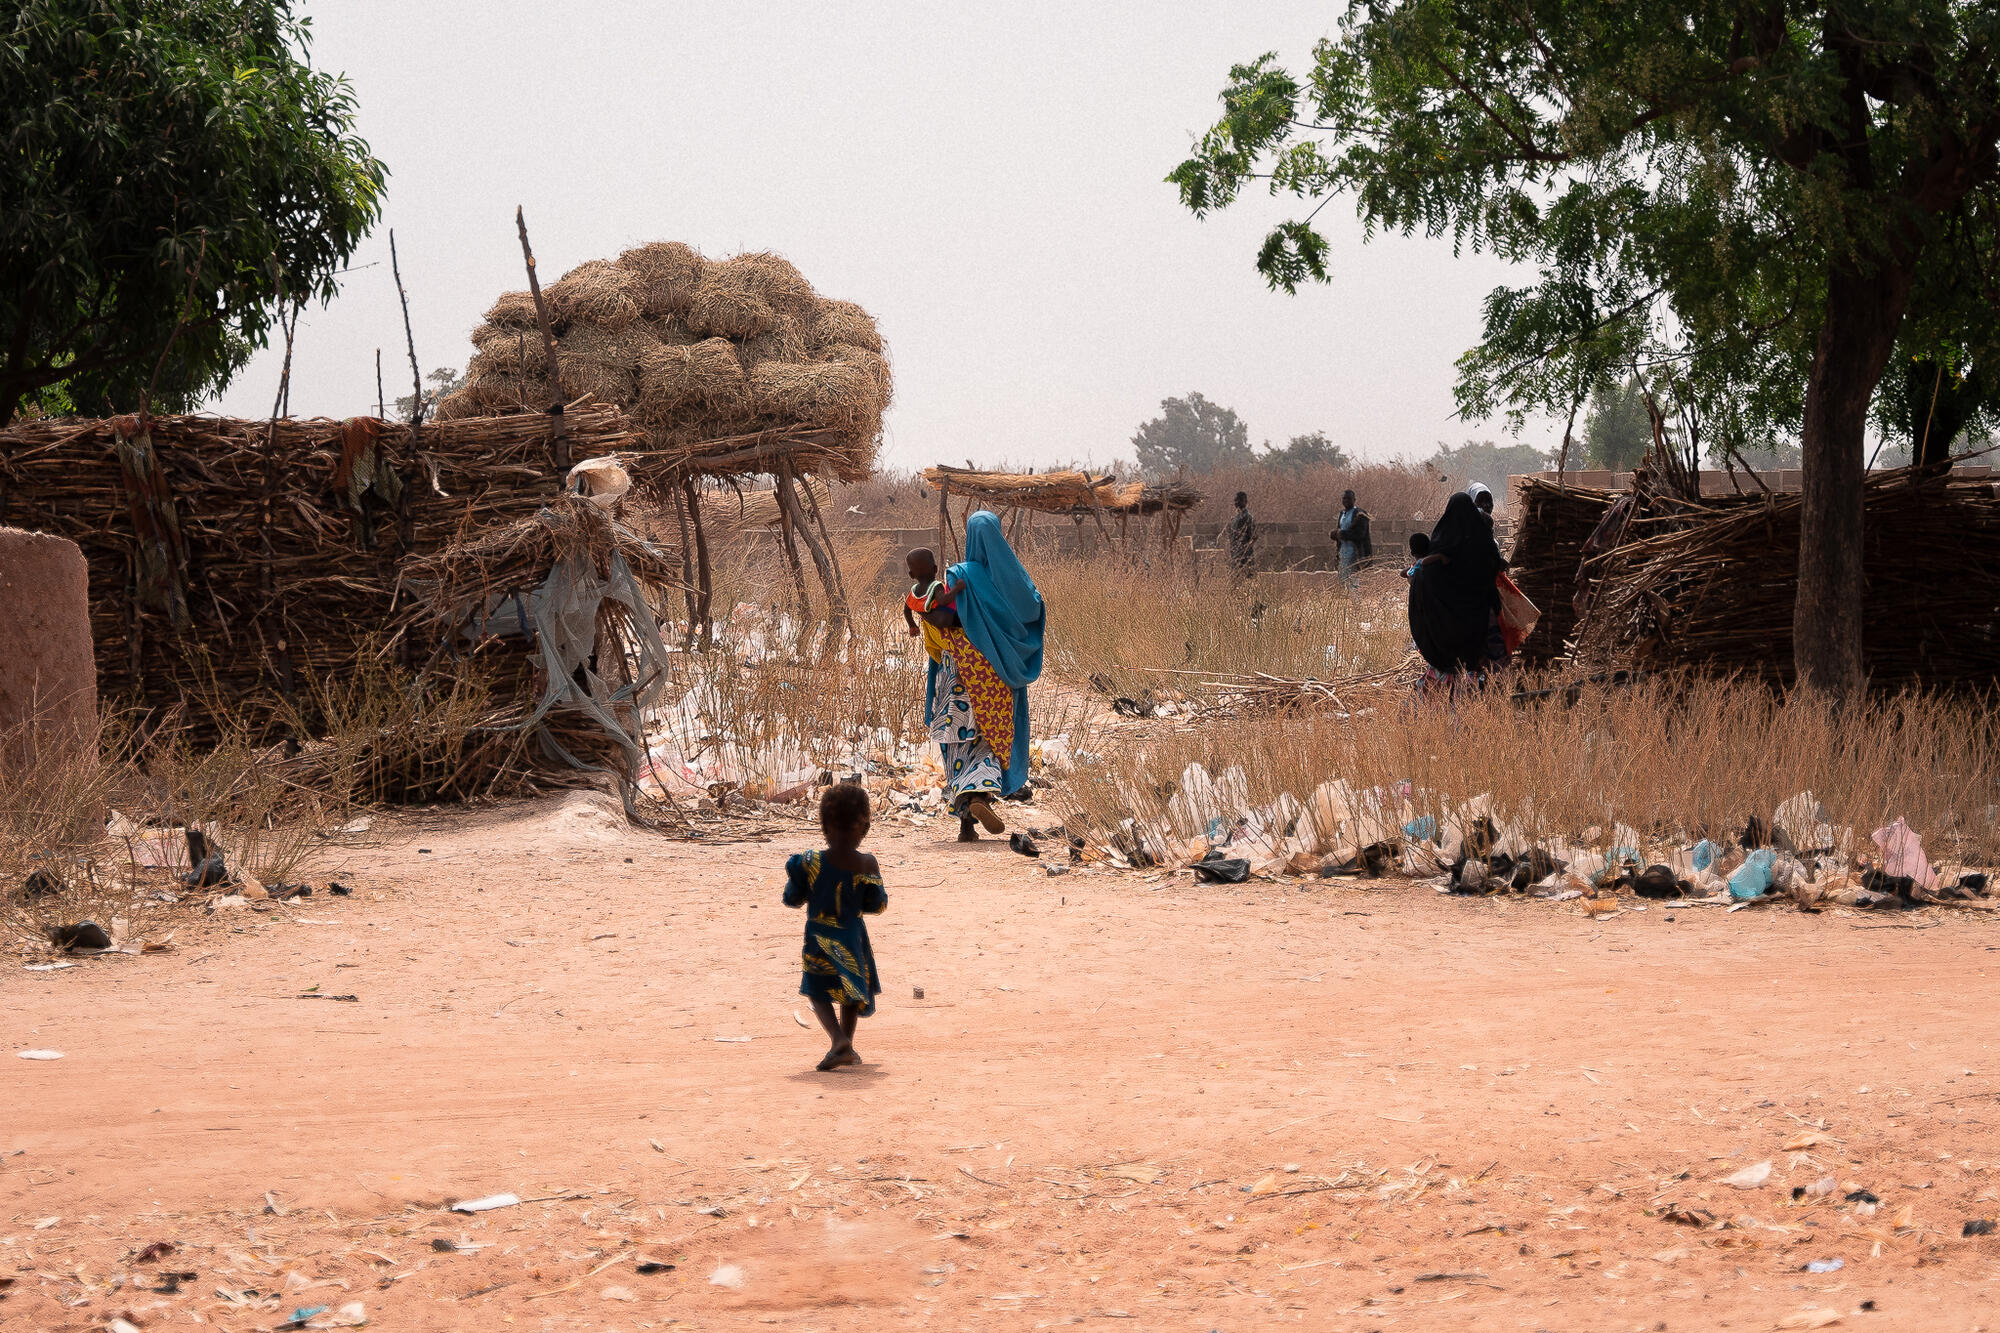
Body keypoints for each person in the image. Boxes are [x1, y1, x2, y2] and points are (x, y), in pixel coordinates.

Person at [910, 513, 1046, 841]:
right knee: (989, 737)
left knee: (959, 740)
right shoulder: (1017, 583)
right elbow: (1032, 613)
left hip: (957, 673)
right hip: (995, 674)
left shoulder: (961, 574)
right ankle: (980, 797)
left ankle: (966, 820)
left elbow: (939, 621)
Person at [784, 783, 888, 1072]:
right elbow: (878, 905)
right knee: (851, 989)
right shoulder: (867, 863)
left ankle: (838, 1040)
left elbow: (792, 898)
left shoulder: (809, 862)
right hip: (853, 937)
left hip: (818, 936)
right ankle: (846, 1043)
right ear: (864, 827)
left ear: (825, 827)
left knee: (817, 990)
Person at [1408, 492, 1508, 692]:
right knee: (1483, 664)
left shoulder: (1442, 543)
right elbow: (1498, 566)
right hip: (1479, 619)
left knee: (1452, 663)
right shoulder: (1483, 544)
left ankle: (1450, 693)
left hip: (1447, 626)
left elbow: (1424, 576)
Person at [1333, 489, 1373, 588]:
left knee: (1353, 582)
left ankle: (1355, 602)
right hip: (1343, 553)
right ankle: (1346, 602)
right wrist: (1335, 535)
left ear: (1354, 499)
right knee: (1342, 580)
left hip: (1355, 553)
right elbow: (1339, 531)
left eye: (1349, 498)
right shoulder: (1342, 514)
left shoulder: (1360, 514)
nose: (1346, 501)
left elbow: (1360, 534)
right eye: (1344, 498)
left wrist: (1342, 534)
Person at [1226, 491, 1257, 576]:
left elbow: (1254, 537)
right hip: (1235, 555)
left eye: (1240, 500)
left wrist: (1244, 551)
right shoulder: (1234, 519)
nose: (1237, 502)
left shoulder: (1247, 517)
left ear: (1245, 502)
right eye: (1235, 500)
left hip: (1245, 557)